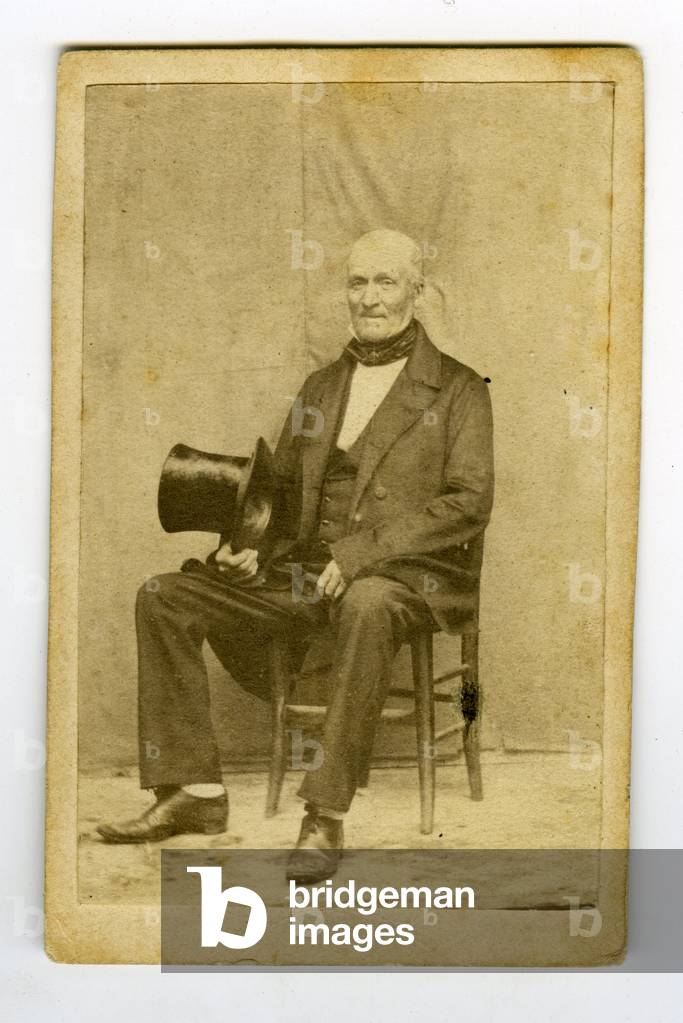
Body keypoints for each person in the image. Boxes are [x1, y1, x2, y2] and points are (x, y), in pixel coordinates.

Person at [97, 228, 494, 884]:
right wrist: (252, 550)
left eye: (384, 281)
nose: (368, 298)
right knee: (164, 593)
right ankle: (192, 792)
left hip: (406, 575)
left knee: (365, 600)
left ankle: (324, 811)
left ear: (416, 291)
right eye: (356, 282)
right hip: (309, 573)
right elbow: (278, 494)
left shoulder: (458, 389)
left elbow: (468, 501)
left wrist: (363, 551)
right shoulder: (320, 387)